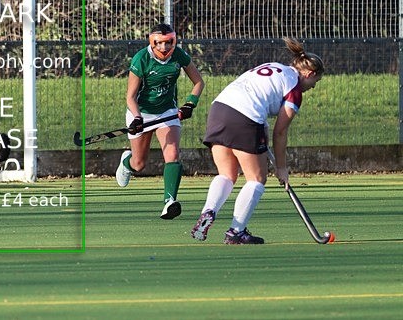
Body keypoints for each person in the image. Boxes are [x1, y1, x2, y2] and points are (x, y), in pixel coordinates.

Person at [191, 37, 323, 244]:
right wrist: (282, 167)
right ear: (310, 74)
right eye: (316, 82)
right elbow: (281, 132)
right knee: (256, 179)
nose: (313, 87)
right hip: (246, 116)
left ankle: (209, 211)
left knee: (226, 174)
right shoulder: (295, 91)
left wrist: (261, 135)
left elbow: (260, 100)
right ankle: (236, 231)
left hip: (219, 109)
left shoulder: (274, 67)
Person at [116, 23, 205, 220]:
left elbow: (198, 82)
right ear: (152, 42)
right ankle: (126, 162)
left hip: (167, 111)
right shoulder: (141, 59)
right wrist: (138, 118)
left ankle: (169, 202)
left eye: (169, 43)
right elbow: (130, 97)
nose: (164, 48)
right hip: (141, 112)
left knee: (172, 153)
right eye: (160, 43)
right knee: (139, 164)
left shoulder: (179, 55)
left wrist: (190, 103)